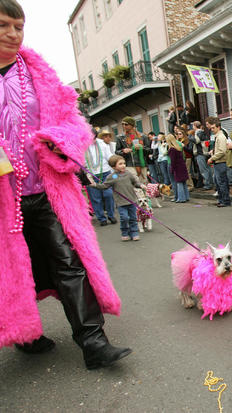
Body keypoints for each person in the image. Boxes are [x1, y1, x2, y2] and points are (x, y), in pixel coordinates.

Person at [0, 0, 131, 369]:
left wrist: (60, 142)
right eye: (4, 25)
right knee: (13, 271)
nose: (13, 33)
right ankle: (23, 333)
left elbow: (76, 126)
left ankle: (93, 341)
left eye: (19, 26)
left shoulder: (40, 77)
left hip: (46, 192)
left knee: (68, 263)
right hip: (3, 201)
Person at [91, 155, 145, 241]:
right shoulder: (111, 177)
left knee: (133, 218)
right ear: (114, 167)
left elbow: (135, 183)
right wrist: (95, 185)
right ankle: (124, 232)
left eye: (124, 163)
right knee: (124, 218)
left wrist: (140, 185)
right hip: (121, 203)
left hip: (132, 200)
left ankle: (134, 232)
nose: (123, 165)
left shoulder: (128, 174)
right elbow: (105, 186)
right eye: (120, 164)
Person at [85, 129, 117, 226]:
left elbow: (110, 156)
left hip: (105, 172)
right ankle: (101, 218)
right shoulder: (81, 145)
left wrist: (117, 163)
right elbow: (80, 161)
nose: (92, 140)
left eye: (94, 137)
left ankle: (111, 215)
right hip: (90, 174)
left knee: (108, 194)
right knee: (95, 198)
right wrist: (86, 175)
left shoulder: (102, 144)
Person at [115, 116, 150, 182]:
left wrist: (142, 148)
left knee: (144, 183)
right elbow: (117, 151)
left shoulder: (143, 136)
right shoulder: (120, 137)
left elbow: (149, 150)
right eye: (123, 124)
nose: (124, 126)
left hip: (142, 163)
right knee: (134, 183)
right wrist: (123, 151)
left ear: (132, 125)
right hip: (129, 164)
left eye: (126, 124)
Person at [206, 117, 231, 207]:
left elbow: (222, 151)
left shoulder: (221, 137)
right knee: (218, 181)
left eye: (213, 128)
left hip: (221, 162)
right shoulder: (217, 137)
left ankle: (225, 200)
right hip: (218, 162)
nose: (212, 130)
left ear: (218, 127)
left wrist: (212, 158)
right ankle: (221, 200)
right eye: (211, 128)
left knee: (222, 182)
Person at [167, 132, 190, 203]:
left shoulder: (172, 149)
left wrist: (172, 169)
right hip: (182, 166)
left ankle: (181, 198)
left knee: (179, 183)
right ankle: (186, 197)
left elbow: (173, 161)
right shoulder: (179, 147)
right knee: (183, 182)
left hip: (177, 167)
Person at [191, 121, 214, 190]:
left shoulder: (198, 132)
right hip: (205, 152)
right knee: (207, 169)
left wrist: (189, 137)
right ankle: (210, 183)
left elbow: (196, 141)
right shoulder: (203, 132)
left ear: (195, 126)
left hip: (200, 153)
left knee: (203, 170)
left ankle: (208, 184)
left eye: (193, 125)